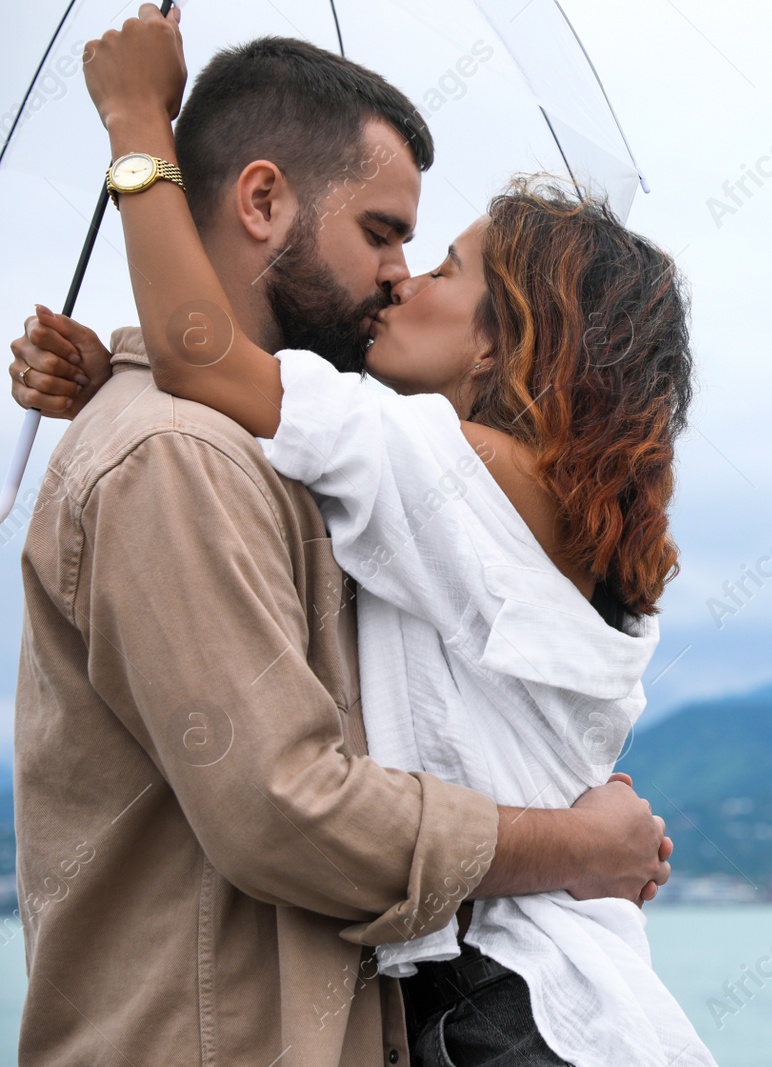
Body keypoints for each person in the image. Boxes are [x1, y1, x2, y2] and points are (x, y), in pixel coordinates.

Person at [13, 7, 714, 1066]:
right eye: (388, 236)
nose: (402, 275)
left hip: (509, 1003)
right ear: (261, 200)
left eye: (438, 264)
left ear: (505, 350)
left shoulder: (429, 462)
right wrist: (114, 369)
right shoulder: (496, 497)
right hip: (565, 997)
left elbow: (207, 359)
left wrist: (132, 124)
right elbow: (285, 805)